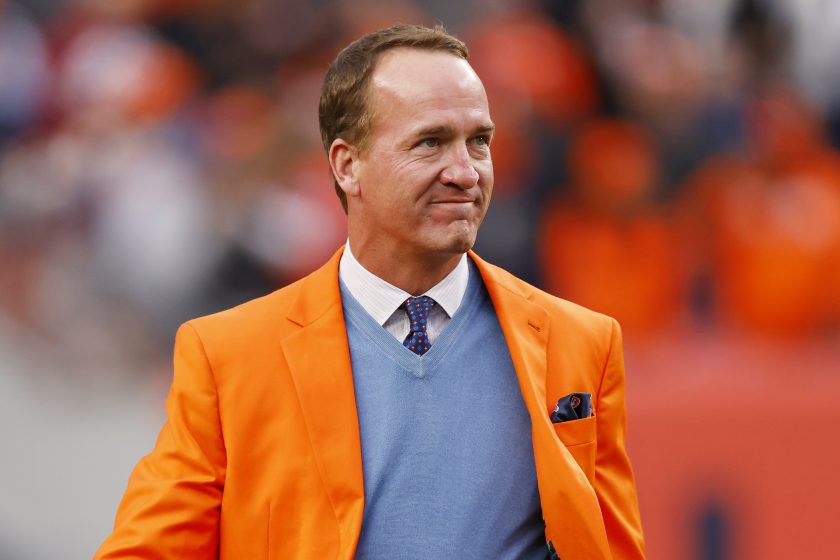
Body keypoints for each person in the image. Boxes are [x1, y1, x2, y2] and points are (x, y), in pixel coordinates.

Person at [95, 24, 645, 560]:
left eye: (478, 142)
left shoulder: (584, 343)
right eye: (430, 142)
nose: (465, 171)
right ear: (347, 165)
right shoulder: (227, 356)